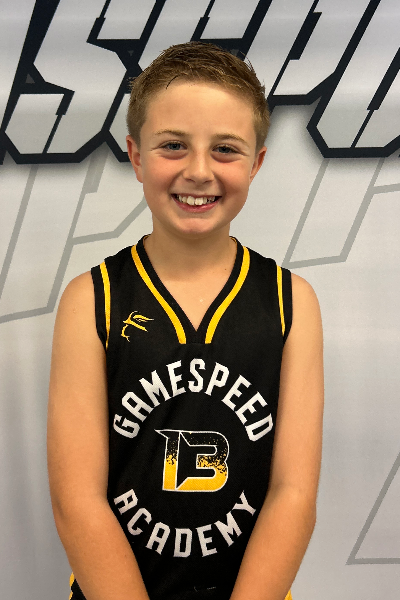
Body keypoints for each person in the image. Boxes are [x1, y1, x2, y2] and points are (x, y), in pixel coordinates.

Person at [47, 42, 323, 600]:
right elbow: (77, 501)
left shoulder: (291, 301)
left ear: (256, 163)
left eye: (225, 149)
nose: (199, 171)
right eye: (173, 145)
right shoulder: (92, 299)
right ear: (136, 155)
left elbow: (293, 493)